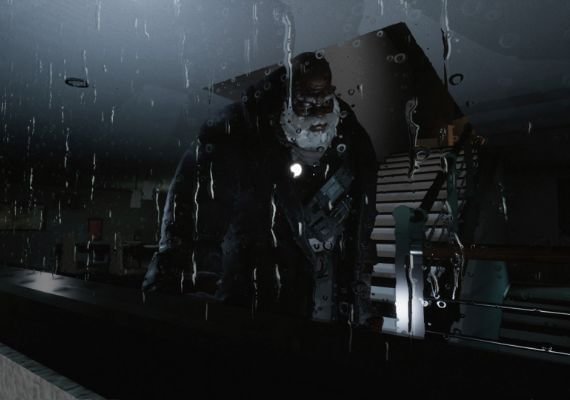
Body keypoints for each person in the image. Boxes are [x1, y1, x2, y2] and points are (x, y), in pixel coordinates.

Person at [143, 52, 378, 327]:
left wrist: (360, 309)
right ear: (287, 97)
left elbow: (359, 234)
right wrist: (184, 303)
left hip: (327, 313)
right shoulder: (234, 132)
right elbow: (192, 225)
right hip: (256, 309)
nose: (318, 115)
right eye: (306, 104)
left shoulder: (353, 142)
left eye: (324, 102)